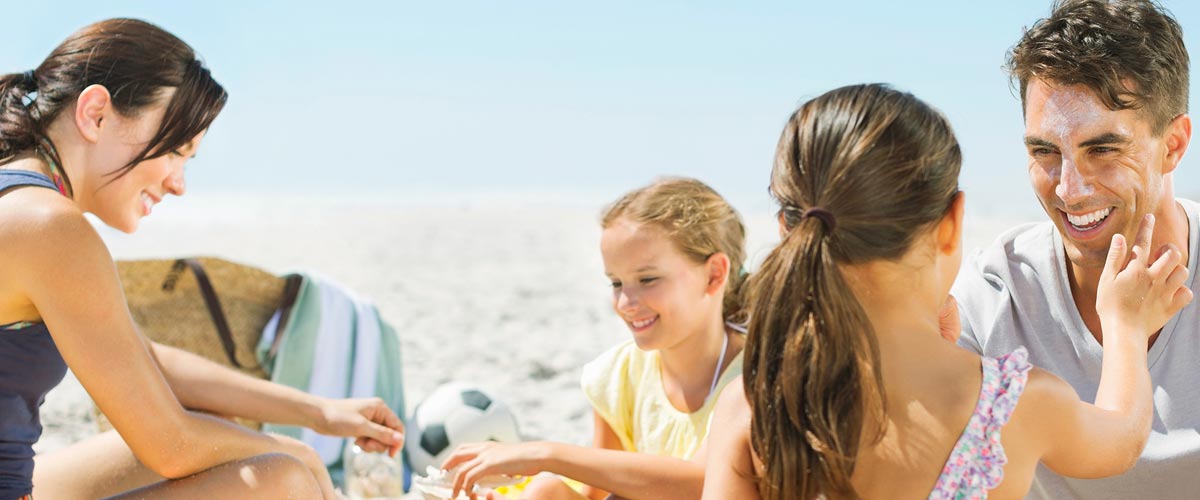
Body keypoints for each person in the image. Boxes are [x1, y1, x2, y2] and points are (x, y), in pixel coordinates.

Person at [700, 83, 1191, 500]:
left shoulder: (750, 407)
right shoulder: (1007, 404)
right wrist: (1125, 328)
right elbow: (1122, 438)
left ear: (792, 230)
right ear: (952, 223)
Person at [0, 19, 404, 500]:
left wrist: (318, 412)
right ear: (95, 114)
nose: (178, 183)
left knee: (230, 438)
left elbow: (139, 357)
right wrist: (299, 452)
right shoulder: (51, 227)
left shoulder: (20, 200)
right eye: (174, 150)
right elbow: (170, 446)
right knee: (285, 480)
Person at [949, 0, 1200, 497]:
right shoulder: (989, 299)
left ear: (1172, 145)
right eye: (1044, 151)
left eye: (1103, 150)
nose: (1069, 189)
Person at [441, 177, 747, 500]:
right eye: (616, 283)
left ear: (714, 275)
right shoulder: (619, 375)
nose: (627, 302)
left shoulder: (751, 378)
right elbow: (598, 494)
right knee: (545, 492)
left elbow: (703, 484)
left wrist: (546, 454)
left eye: (648, 279)